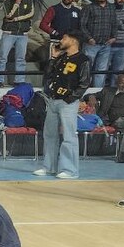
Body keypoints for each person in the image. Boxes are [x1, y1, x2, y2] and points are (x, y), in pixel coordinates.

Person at [36, 31, 91, 180]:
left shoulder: (83, 59)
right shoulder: (61, 58)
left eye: (64, 37)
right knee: (49, 134)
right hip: (53, 99)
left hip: (68, 102)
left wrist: (71, 98)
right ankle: (49, 167)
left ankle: (70, 169)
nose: (61, 40)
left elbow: (84, 82)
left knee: (68, 136)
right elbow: (47, 74)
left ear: (74, 40)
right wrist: (53, 58)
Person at [0, 0, 34, 88]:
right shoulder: (7, 2)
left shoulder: (29, 1)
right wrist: (16, 4)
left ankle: (19, 80)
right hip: (9, 32)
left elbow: (31, 14)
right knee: (2, 57)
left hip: (22, 33)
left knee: (21, 58)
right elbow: (8, 16)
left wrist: (16, 19)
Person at [97, 74, 124, 165]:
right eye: (122, 83)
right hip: (119, 121)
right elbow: (88, 95)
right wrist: (90, 97)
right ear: (117, 83)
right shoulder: (108, 91)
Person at [80, 0, 117, 89]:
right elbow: (82, 25)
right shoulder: (89, 7)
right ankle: (84, 92)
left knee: (101, 71)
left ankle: (97, 93)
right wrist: (89, 38)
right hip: (91, 44)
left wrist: (114, 37)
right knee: (86, 69)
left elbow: (114, 23)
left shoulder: (111, 7)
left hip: (106, 45)